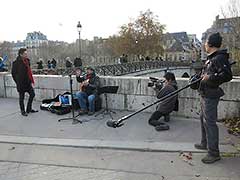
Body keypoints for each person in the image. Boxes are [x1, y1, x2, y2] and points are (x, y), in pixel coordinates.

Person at [195, 32, 232, 164]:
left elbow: (228, 75)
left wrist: (210, 77)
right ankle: (205, 143)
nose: (204, 44)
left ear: (210, 44)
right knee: (203, 119)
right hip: (205, 93)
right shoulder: (212, 57)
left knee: (209, 122)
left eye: (205, 42)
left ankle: (214, 153)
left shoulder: (219, 58)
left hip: (211, 95)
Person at [12, 48, 38, 116]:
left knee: (32, 94)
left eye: (26, 53)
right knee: (21, 98)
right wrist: (17, 81)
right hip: (21, 83)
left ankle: (29, 109)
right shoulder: (16, 63)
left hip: (28, 82)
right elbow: (13, 73)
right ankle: (23, 111)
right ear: (21, 54)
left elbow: (28, 72)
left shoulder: (27, 61)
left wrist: (30, 80)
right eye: (25, 54)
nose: (26, 55)